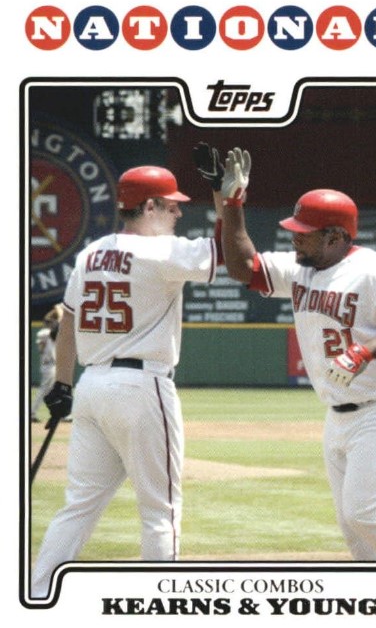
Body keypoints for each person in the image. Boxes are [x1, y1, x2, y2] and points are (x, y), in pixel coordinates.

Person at [202, 145, 376, 600]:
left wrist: (364, 352)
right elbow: (241, 267)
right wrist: (233, 205)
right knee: (352, 527)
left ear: (335, 236)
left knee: (367, 513)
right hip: (338, 414)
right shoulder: (302, 270)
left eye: (305, 233)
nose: (295, 239)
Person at [31, 159, 224, 599]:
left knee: (78, 507)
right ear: (150, 206)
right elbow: (228, 251)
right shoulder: (162, 251)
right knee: (161, 511)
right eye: (171, 206)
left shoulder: (90, 253)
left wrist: (62, 385)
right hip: (142, 385)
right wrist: (225, 199)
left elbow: (70, 322)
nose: (178, 212)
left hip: (92, 387)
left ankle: (39, 595)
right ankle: (160, 601)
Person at [31, 304, 64, 423]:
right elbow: (60, 322)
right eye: (51, 322)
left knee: (54, 390)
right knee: (46, 390)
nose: (51, 323)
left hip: (48, 365)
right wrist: (58, 309)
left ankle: (59, 414)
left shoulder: (44, 332)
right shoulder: (47, 332)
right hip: (50, 365)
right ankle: (32, 412)